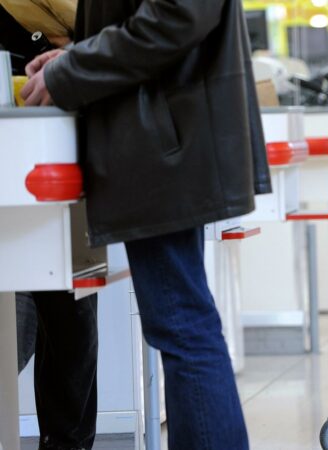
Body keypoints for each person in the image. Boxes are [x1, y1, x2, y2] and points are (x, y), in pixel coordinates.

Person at [20, 1, 271, 449]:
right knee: (184, 325)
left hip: (164, 138)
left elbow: (177, 17)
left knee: (183, 327)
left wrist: (76, 66)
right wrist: (76, 54)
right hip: (165, 131)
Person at [0, 3, 100, 449]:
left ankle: (67, 441)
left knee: (67, 297)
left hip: (53, 127)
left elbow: (102, 28)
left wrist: (76, 55)